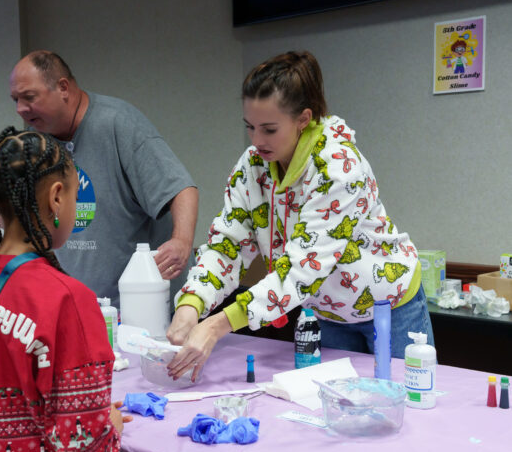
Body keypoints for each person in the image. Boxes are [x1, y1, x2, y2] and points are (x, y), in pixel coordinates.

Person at [167, 51, 433, 381]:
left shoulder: (338, 168)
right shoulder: (252, 167)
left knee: (406, 403)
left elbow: (303, 269)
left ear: (303, 119)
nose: (256, 141)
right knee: (334, 408)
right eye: (249, 127)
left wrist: (217, 324)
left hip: (389, 306)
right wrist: (190, 306)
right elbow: (227, 246)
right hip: (328, 312)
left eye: (269, 129)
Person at [0, 50, 198, 307]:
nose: (20, 109)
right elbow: (33, 212)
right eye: (15, 100)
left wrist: (181, 242)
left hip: (145, 307)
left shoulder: (118, 124)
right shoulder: (37, 139)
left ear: (63, 87)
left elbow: (181, 189)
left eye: (29, 97)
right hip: (80, 305)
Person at [0, 128, 130, 452]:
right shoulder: (68, 300)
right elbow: (82, 445)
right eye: (75, 197)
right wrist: (110, 426)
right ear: (57, 197)